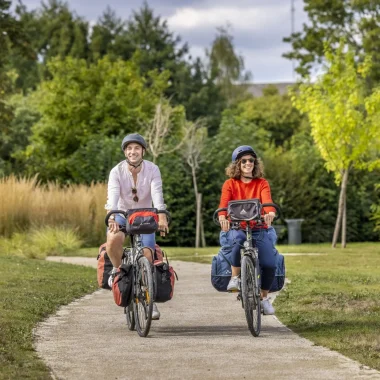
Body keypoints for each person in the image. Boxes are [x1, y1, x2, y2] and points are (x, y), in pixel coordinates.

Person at [105, 133, 169, 320]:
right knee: (113, 239)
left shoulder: (152, 169)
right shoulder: (116, 171)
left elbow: (157, 194)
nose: (133, 152)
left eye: (137, 148)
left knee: (147, 255)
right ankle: (119, 271)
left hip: (145, 215)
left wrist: (161, 215)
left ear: (143, 151)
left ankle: (150, 301)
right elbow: (113, 197)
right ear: (125, 152)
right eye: (129, 148)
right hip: (123, 214)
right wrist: (112, 218)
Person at [218, 145, 278, 315]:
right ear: (237, 164)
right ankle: (235, 277)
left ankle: (264, 298)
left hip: (259, 227)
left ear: (255, 163)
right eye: (243, 161)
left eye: (251, 160)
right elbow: (224, 205)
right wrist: (223, 217)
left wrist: (270, 213)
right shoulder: (230, 184)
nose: (248, 163)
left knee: (269, 264)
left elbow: (267, 202)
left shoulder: (262, 183)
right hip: (238, 226)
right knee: (236, 242)